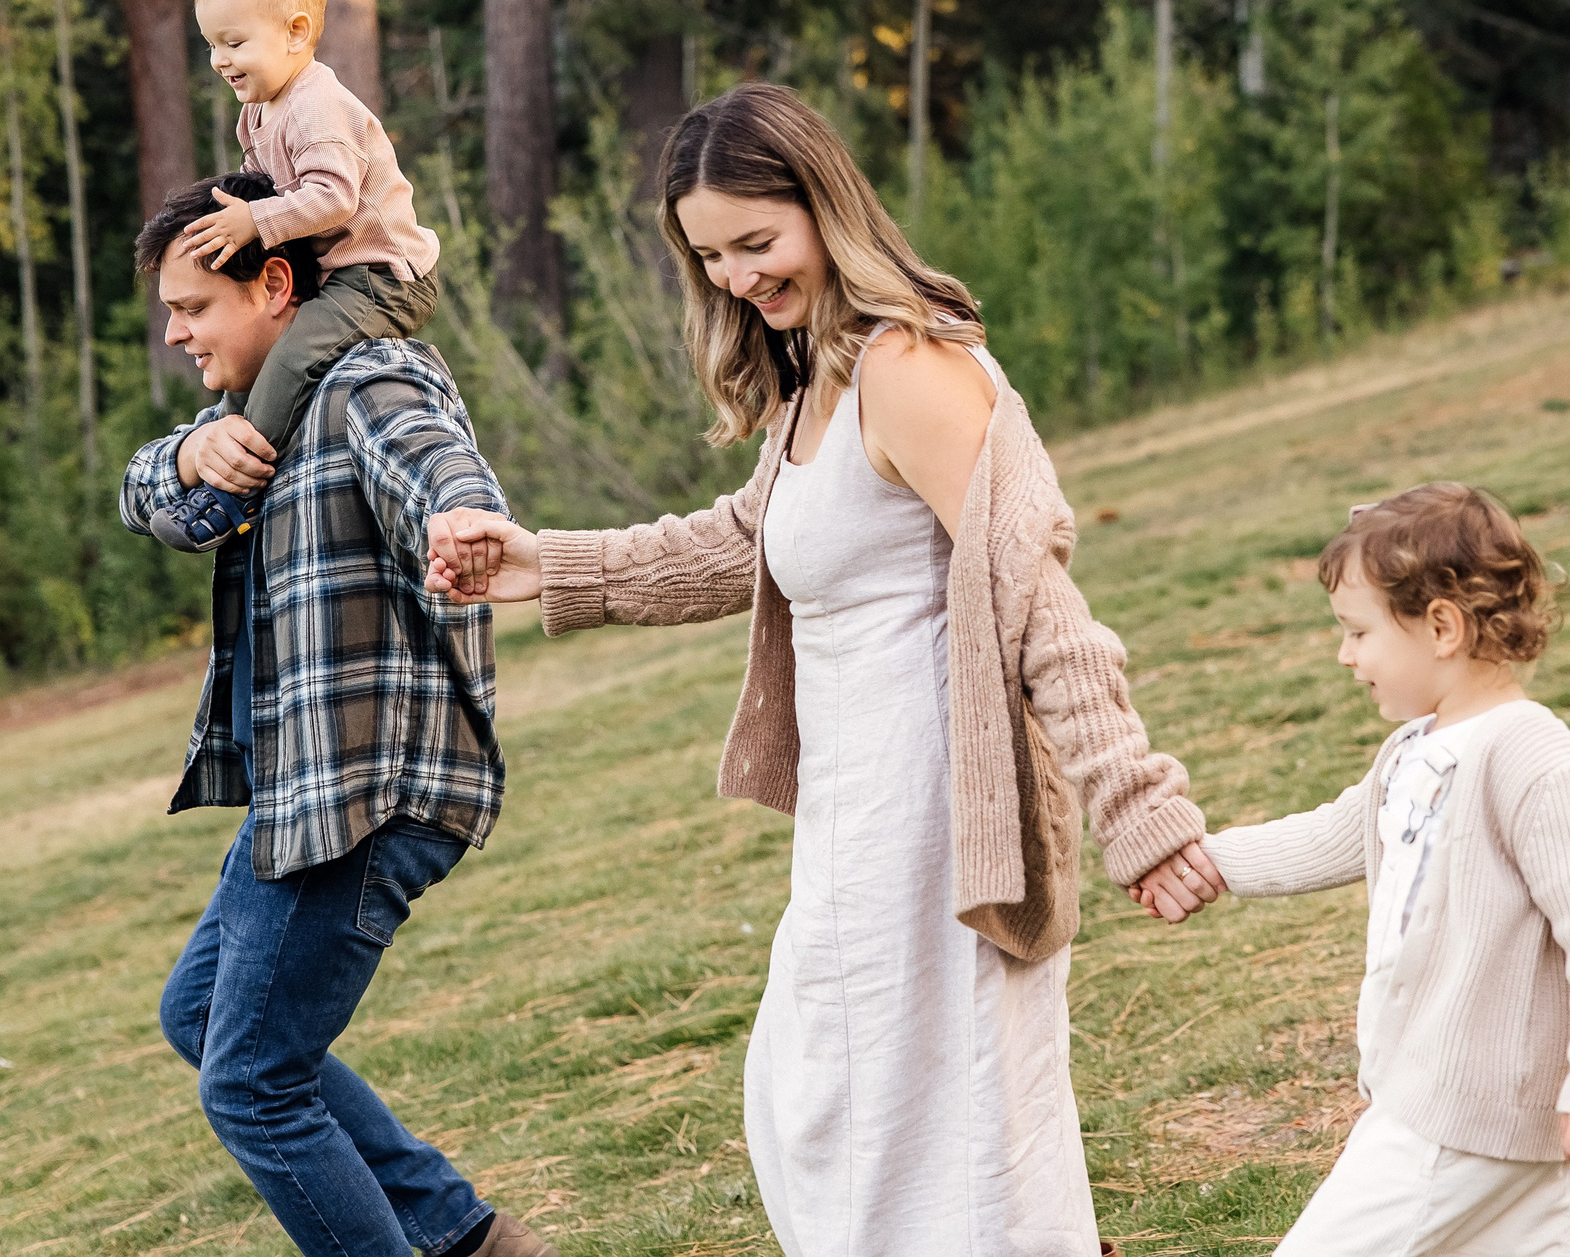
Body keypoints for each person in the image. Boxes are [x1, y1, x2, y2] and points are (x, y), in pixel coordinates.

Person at [422, 84, 1223, 1257]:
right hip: (853, 823)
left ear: (825, 204)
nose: (739, 275)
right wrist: (544, 564)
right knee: (823, 1115)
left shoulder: (907, 368)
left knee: (947, 1142)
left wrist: (1138, 808)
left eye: (757, 239)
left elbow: (1036, 598)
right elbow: (750, 541)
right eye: (711, 256)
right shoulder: (813, 382)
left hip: (941, 820)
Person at [121, 172, 557, 1257]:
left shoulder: (365, 378)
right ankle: (464, 1235)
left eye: (194, 305)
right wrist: (182, 453)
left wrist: (466, 518)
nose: (176, 331)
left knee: (253, 1084)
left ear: (275, 282)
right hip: (306, 787)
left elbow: (437, 464)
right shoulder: (253, 417)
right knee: (202, 1013)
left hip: (369, 785)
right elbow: (154, 503)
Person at [1165, 482, 1570, 1257]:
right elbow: (1336, 836)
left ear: (1442, 627)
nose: (1344, 655)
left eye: (1357, 633)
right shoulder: (1414, 748)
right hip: (1485, 1116)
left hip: (1453, 1117)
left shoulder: (1530, 757)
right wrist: (1206, 862)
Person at [153, 0, 443, 552]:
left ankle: (233, 496)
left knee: (289, 360)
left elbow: (334, 198)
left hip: (383, 274)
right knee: (249, 374)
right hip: (333, 268)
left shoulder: (315, 105)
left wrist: (256, 222)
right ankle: (218, 462)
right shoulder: (258, 109)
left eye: (234, 43)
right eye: (211, 46)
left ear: (295, 31)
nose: (219, 61)